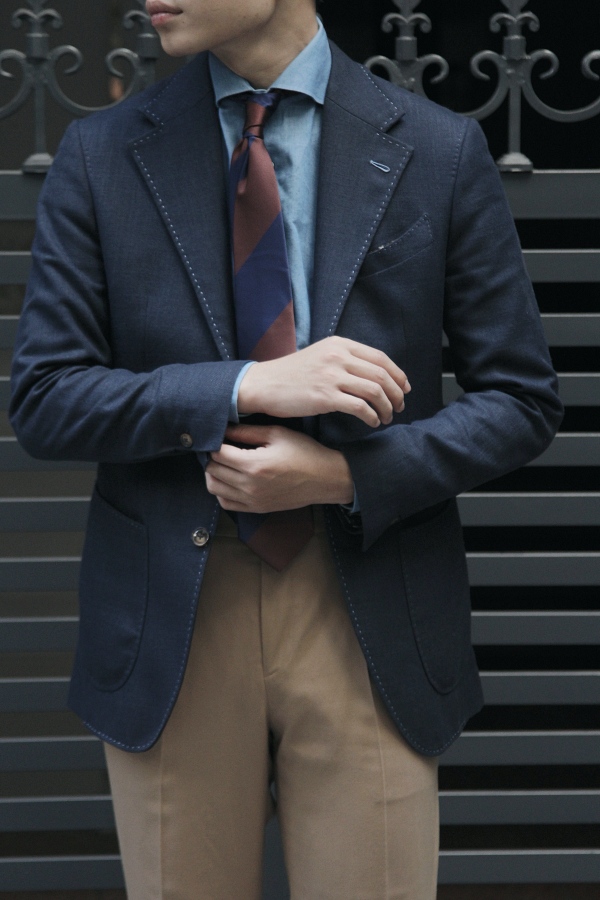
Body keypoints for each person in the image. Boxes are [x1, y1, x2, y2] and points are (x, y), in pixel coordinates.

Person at [10, 0, 563, 897]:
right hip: (174, 611)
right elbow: (45, 399)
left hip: (368, 602)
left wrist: (346, 476)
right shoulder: (102, 152)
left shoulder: (439, 147)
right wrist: (244, 386)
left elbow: (522, 400)